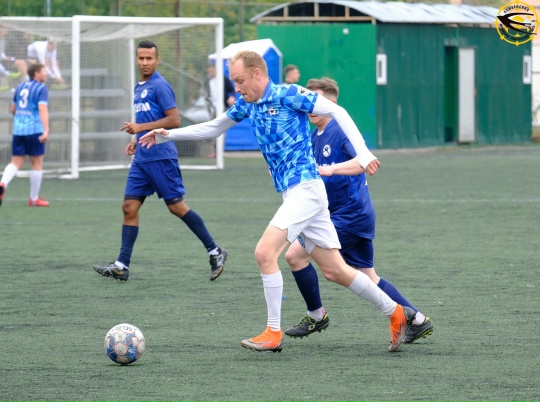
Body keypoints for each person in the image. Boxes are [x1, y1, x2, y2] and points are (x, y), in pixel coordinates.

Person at [139, 50, 416, 353]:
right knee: (335, 270)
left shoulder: (289, 94)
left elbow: (338, 111)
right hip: (298, 193)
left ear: (257, 73)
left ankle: (273, 332)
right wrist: (167, 135)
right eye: (234, 82)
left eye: (240, 80)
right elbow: (215, 127)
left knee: (264, 252)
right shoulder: (247, 103)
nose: (237, 88)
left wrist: (363, 153)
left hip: (305, 189)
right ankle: (396, 312)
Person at [283, 77, 434, 344]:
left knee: (296, 256)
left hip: (349, 214)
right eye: (308, 101)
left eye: (316, 101)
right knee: (368, 276)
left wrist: (332, 169)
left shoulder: (340, 130)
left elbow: (363, 162)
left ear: (332, 103)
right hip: (349, 214)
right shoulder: (314, 135)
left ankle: (317, 315)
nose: (311, 107)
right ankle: (418, 320)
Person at [93, 40, 228, 283]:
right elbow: (147, 118)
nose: (145, 62)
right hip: (142, 159)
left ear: (157, 60)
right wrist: (136, 139)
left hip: (161, 156)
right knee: (129, 207)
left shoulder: (160, 85)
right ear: (137, 60)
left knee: (176, 207)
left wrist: (140, 128)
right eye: (141, 58)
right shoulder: (139, 87)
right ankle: (122, 265)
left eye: (149, 58)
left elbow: (174, 120)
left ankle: (215, 251)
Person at [0, 63, 50, 207]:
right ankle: (33, 199)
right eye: (43, 71)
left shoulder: (20, 87)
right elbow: (42, 109)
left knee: (16, 162)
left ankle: (3, 183)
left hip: (18, 130)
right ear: (36, 74)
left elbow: (13, 109)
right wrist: (46, 129)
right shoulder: (41, 88)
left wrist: (21, 119)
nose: (46, 73)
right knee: (37, 162)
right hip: (34, 130)